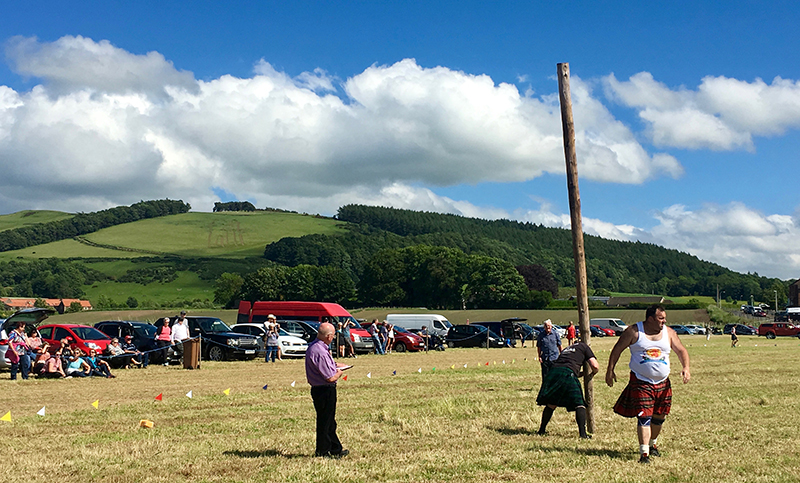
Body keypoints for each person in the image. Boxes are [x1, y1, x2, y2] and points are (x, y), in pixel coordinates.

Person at [605, 304, 691, 464]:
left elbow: (681, 351)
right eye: (660, 318)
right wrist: (610, 370)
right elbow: (617, 349)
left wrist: (686, 367)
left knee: (659, 416)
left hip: (663, 382)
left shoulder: (669, 333)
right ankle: (644, 453)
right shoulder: (634, 331)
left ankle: (653, 444)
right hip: (641, 380)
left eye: (665, 318)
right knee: (644, 416)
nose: (664, 321)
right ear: (650, 319)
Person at [536, 341, 599, 439]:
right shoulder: (585, 347)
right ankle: (583, 434)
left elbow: (566, 364)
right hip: (567, 373)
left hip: (553, 372)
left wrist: (580, 373)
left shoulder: (566, 349)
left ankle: (541, 430)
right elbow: (594, 365)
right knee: (579, 403)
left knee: (552, 403)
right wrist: (594, 373)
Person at [305, 322, 348, 459]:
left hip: (320, 389)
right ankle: (322, 451)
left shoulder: (316, 347)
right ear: (329, 336)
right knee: (325, 421)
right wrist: (340, 372)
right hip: (324, 390)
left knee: (329, 421)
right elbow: (329, 377)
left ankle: (335, 448)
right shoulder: (319, 351)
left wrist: (334, 365)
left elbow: (325, 366)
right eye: (333, 335)